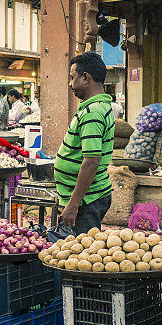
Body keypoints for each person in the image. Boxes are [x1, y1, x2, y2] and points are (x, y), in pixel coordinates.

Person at [54, 51, 115, 234]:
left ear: (86, 78)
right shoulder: (95, 107)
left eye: (73, 78)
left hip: (87, 200)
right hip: (86, 198)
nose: (71, 84)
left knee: (83, 255)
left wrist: (73, 205)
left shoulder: (93, 112)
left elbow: (91, 162)